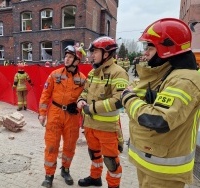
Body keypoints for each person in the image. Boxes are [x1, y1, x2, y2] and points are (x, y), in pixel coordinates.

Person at [120, 18, 200, 188]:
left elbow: (159, 120)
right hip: (153, 162)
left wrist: (128, 98)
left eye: (150, 47)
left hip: (164, 171)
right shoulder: (165, 73)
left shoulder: (184, 80)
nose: (145, 52)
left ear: (167, 48)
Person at [76, 36, 129, 188]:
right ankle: (95, 178)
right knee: (94, 155)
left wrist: (91, 108)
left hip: (107, 129)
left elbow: (118, 100)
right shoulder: (93, 73)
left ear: (106, 54)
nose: (91, 55)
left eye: (95, 52)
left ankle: (113, 186)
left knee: (111, 162)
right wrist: (81, 100)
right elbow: (85, 91)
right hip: (90, 125)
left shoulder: (118, 73)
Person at [39, 45, 86, 188]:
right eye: (66, 56)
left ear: (77, 60)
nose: (66, 59)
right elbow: (45, 94)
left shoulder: (83, 80)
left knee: (70, 146)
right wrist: (42, 114)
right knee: (51, 145)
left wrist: (80, 109)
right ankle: (49, 175)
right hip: (55, 113)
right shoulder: (55, 74)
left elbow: (86, 98)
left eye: (70, 57)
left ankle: (65, 170)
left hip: (72, 117)